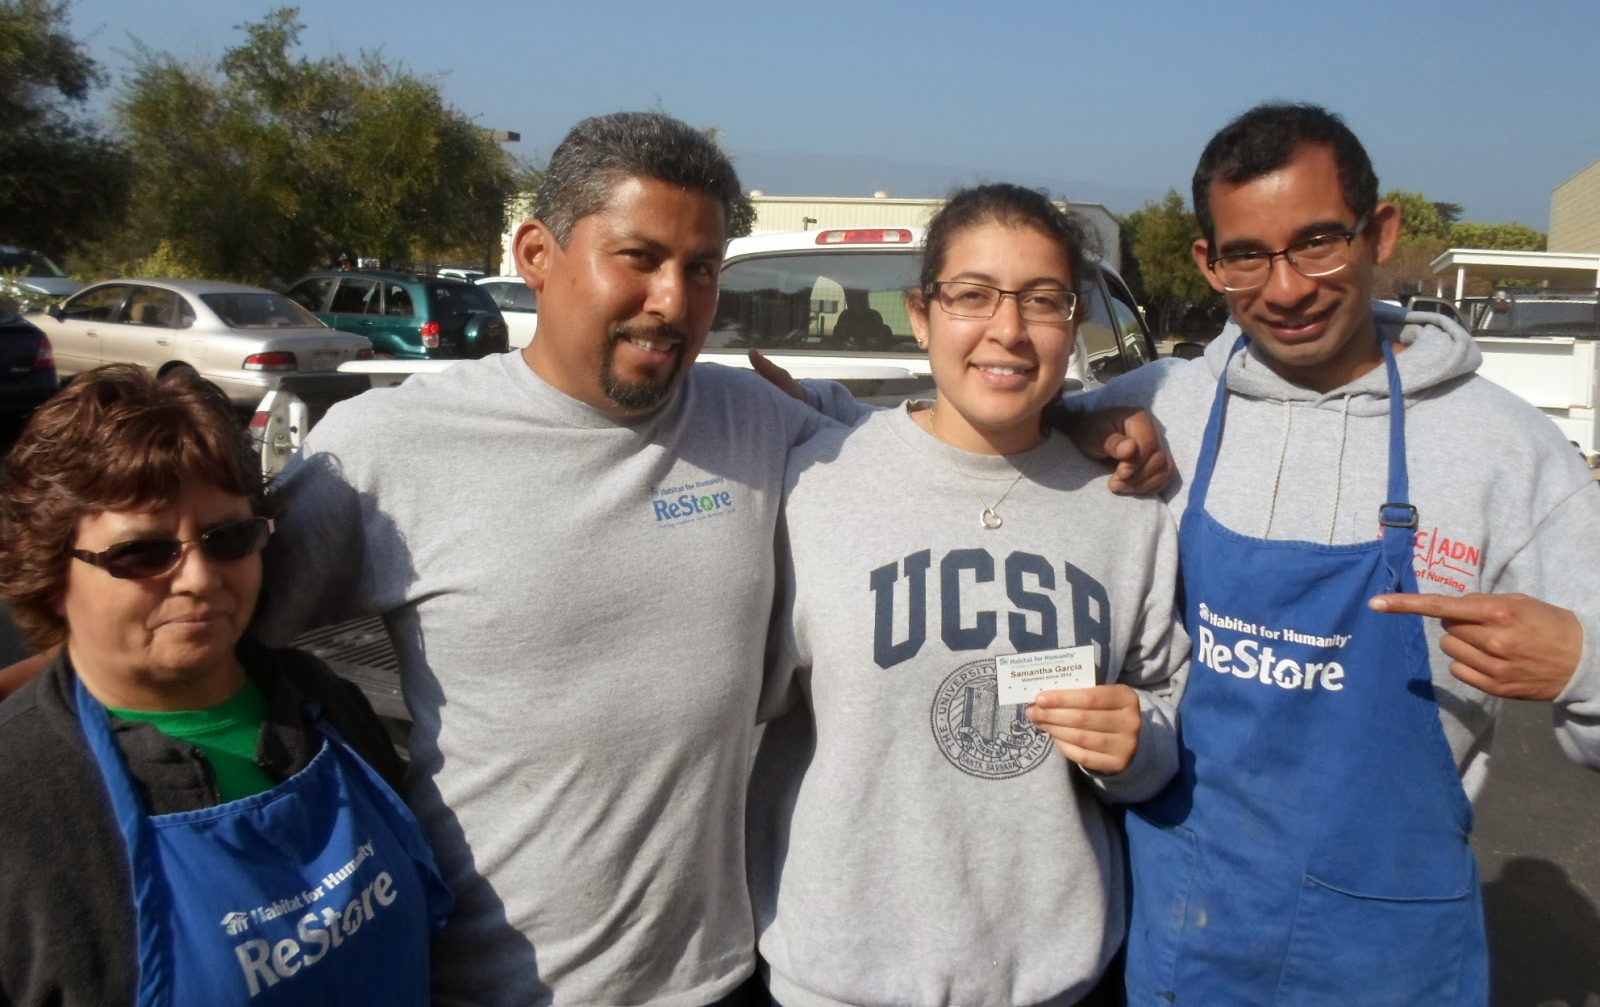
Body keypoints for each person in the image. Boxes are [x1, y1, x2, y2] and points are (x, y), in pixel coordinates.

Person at [254, 111, 872, 1007]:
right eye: (640, 257)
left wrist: (1086, 429)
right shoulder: (389, 448)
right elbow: (199, 631)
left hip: (724, 978)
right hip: (487, 984)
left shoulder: (757, 421)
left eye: (701, 269)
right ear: (536, 253)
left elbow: (944, 458)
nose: (673, 300)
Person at [1077, 103, 1600, 1005]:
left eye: (1319, 242)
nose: (1285, 288)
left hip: (1387, 953)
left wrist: (1584, 666)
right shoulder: (1159, 405)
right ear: (1209, 262)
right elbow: (968, 453)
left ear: (1379, 232)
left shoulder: (1507, 452)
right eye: (1248, 255)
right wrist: (1074, 425)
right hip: (1183, 932)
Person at [748, 185, 1188, 1006]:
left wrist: (1140, 746)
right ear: (921, 314)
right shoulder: (817, 484)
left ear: (1076, 319)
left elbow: (1167, 701)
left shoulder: (1128, 508)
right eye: (972, 295)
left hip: (1055, 981)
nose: (1009, 330)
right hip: (839, 979)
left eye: (1043, 301)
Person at [0, 364, 451, 1007]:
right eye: (143, 553)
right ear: (47, 570)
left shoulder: (320, 704)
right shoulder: (20, 798)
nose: (199, 579)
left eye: (229, 539)